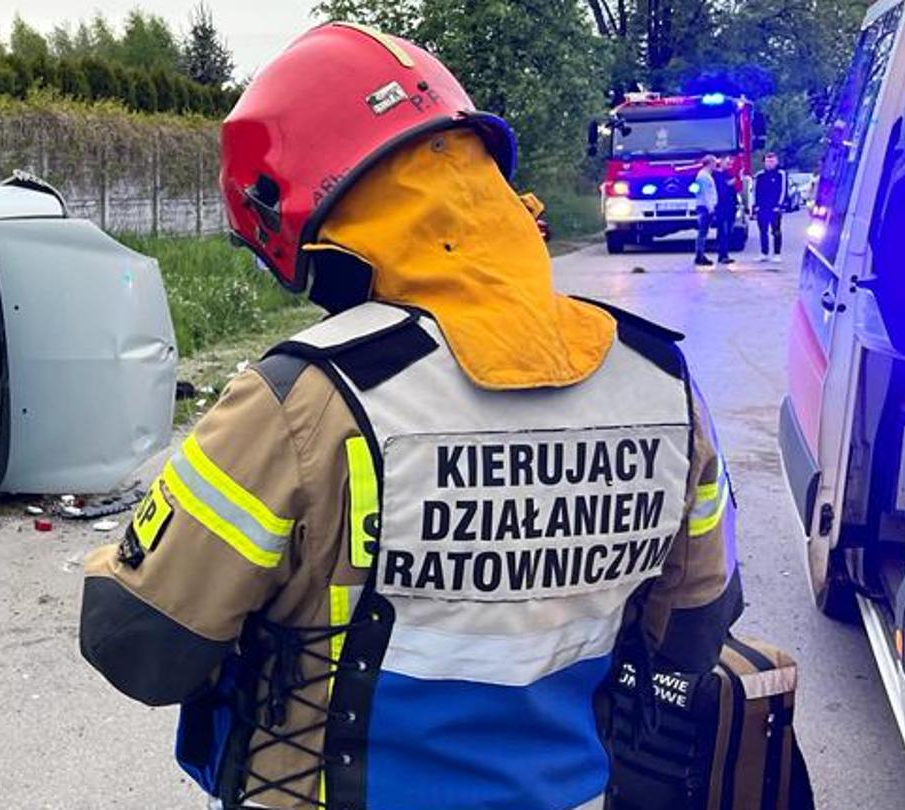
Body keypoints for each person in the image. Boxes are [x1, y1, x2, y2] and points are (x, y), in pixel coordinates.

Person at [78, 23, 742, 810]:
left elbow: (141, 646)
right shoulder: (663, 383)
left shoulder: (303, 396)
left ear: (313, 220)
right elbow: (696, 625)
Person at [754, 153, 788, 263]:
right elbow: (755, 191)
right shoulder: (759, 175)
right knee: (763, 230)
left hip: (774, 207)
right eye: (768, 161)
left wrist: (779, 205)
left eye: (772, 161)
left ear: (776, 162)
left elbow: (783, 190)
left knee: (776, 230)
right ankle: (764, 252)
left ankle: (777, 253)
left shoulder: (781, 174)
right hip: (762, 207)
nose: (770, 164)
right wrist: (756, 206)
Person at [692, 156, 721, 266]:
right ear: (709, 164)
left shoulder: (706, 175)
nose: (716, 165)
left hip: (705, 206)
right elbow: (706, 193)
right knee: (702, 232)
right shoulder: (703, 177)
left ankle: (700, 255)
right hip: (705, 207)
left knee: (703, 232)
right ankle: (699, 256)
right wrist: (711, 208)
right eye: (714, 162)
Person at [713, 157, 740, 264]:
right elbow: (721, 190)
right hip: (722, 208)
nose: (730, 164)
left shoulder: (727, 174)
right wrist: (729, 183)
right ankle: (722, 254)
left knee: (728, 231)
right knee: (723, 231)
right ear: (721, 162)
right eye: (727, 163)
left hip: (730, 207)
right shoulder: (716, 175)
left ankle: (724, 254)